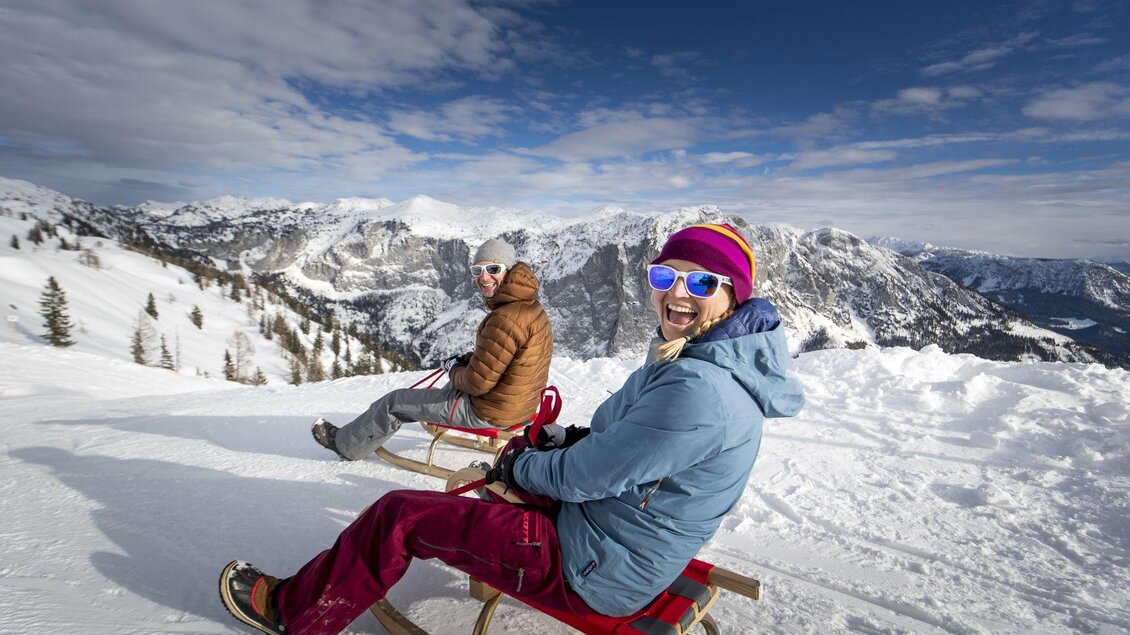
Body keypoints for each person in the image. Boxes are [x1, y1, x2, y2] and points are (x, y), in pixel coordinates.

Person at [220, 223, 804, 635]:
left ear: (733, 296)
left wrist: (521, 464)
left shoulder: (697, 389)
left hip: (593, 567)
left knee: (399, 515)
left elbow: (582, 478)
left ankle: (293, 612)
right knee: (500, 481)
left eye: (701, 283)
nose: (677, 294)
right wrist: (561, 440)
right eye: (665, 275)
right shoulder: (701, 362)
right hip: (618, 540)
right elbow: (622, 446)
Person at [311, 237, 554, 461]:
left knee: (394, 402)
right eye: (477, 270)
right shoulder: (530, 308)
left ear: (509, 271)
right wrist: (466, 361)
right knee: (448, 389)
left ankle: (346, 446)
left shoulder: (505, 319)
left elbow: (477, 383)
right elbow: (506, 358)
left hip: (491, 411)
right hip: (520, 406)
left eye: (493, 269)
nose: (484, 277)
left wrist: (453, 369)